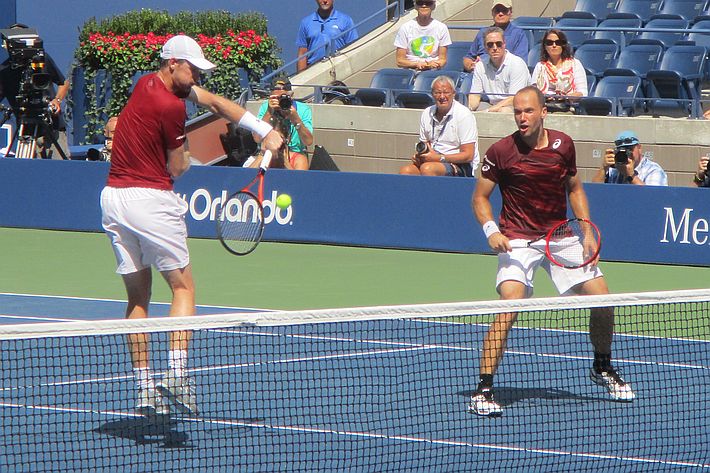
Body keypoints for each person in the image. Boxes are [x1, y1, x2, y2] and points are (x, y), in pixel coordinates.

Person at [100, 35, 283, 417]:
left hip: (113, 199)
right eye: (193, 68)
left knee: (138, 298)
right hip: (150, 200)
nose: (197, 74)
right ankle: (179, 374)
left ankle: (145, 389)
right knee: (183, 287)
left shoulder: (146, 82)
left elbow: (215, 102)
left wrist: (263, 129)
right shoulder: (169, 107)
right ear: (173, 64)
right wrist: (244, 149)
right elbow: (179, 167)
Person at [469, 86, 635, 417]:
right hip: (516, 239)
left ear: (544, 112)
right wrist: (492, 231)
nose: (522, 117)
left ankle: (602, 367)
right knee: (509, 306)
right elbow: (480, 198)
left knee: (604, 301)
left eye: (528, 111)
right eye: (517, 111)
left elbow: (574, 188)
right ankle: (483, 390)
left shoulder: (563, 146)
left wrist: (586, 230)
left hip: (559, 235)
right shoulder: (501, 152)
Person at [0, 23, 70, 159]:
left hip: (52, 125)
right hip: (26, 129)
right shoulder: (4, 70)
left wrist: (57, 101)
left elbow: (63, 83)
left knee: (60, 169)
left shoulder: (42, 60)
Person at [399, 75, 479, 176]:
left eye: (446, 92)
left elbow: (468, 155)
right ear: (432, 94)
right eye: (437, 93)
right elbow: (424, 145)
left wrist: (439, 158)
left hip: (460, 165)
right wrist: (420, 157)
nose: (442, 97)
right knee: (405, 171)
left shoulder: (463, 114)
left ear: (454, 94)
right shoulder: (427, 113)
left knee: (428, 169)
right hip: (432, 161)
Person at [250, 76, 313, 170]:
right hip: (268, 151)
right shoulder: (266, 107)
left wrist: (295, 119)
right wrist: (269, 112)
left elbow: (308, 141)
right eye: (276, 98)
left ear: (291, 96)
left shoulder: (303, 110)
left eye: (283, 98)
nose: (280, 102)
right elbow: (257, 139)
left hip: (294, 153)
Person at [468, 27, 530, 113]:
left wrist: (488, 111)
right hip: (492, 105)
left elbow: (514, 98)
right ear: (485, 47)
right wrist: (469, 110)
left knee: (504, 111)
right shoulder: (480, 66)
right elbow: (475, 95)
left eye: (498, 44)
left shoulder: (517, 64)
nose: (494, 48)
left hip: (517, 106)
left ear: (504, 44)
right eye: (490, 44)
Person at [530, 29, 588, 112]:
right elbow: (534, 92)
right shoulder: (540, 66)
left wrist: (566, 98)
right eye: (549, 43)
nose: (554, 45)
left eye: (558, 42)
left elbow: (582, 93)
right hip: (544, 108)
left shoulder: (575, 64)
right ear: (545, 46)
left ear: (563, 45)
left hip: (567, 108)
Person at [463, 0, 528, 72]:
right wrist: (471, 65)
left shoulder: (518, 34)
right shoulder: (483, 32)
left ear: (510, 13)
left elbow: (520, 62)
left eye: (504, 10)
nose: (500, 13)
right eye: (497, 10)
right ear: (492, 13)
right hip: (479, 72)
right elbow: (468, 57)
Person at [296, 0, 359, 72]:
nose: (325, 1)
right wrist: (301, 79)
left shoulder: (346, 21)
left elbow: (353, 49)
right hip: (313, 73)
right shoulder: (306, 22)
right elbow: (302, 53)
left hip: (340, 70)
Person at [591, 131, 668, 186]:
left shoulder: (653, 170)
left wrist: (631, 176)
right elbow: (595, 191)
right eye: (621, 150)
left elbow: (653, 198)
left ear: (639, 148)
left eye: (630, 149)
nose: (626, 154)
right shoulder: (615, 169)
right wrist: (603, 168)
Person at [394, 0, 451, 71]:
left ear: (433, 6)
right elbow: (399, 61)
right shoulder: (405, 28)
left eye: (428, 3)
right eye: (420, 3)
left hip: (433, 70)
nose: (424, 6)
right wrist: (417, 64)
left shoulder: (441, 27)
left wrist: (431, 65)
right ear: (415, 6)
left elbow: (443, 60)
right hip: (410, 70)